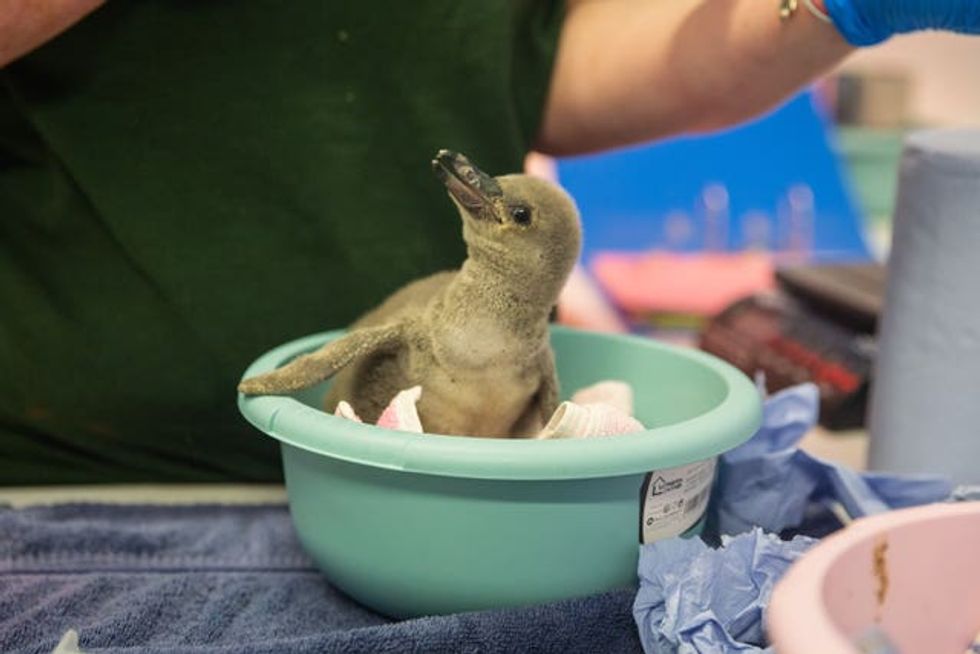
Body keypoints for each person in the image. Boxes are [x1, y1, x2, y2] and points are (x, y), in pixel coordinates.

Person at [1, 0, 977, 485]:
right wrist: (290, 382)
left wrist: (826, 5)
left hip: (456, 505)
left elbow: (539, 51)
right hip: (89, 491)